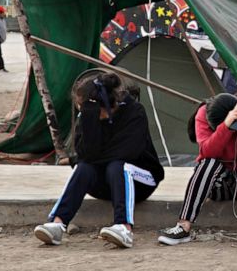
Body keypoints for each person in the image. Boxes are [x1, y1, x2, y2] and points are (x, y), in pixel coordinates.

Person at [34, 73, 165, 249]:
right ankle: (57, 223)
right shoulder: (89, 115)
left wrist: (85, 158)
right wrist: (90, 121)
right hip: (106, 183)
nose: (81, 110)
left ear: (104, 106)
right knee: (84, 168)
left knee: (118, 165)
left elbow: (128, 152)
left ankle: (124, 227)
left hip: (141, 180)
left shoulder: (135, 112)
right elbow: (84, 154)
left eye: (83, 107)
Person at [158, 93, 237, 253]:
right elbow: (207, 151)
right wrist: (225, 127)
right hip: (219, 183)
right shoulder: (203, 113)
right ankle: (183, 226)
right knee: (209, 162)